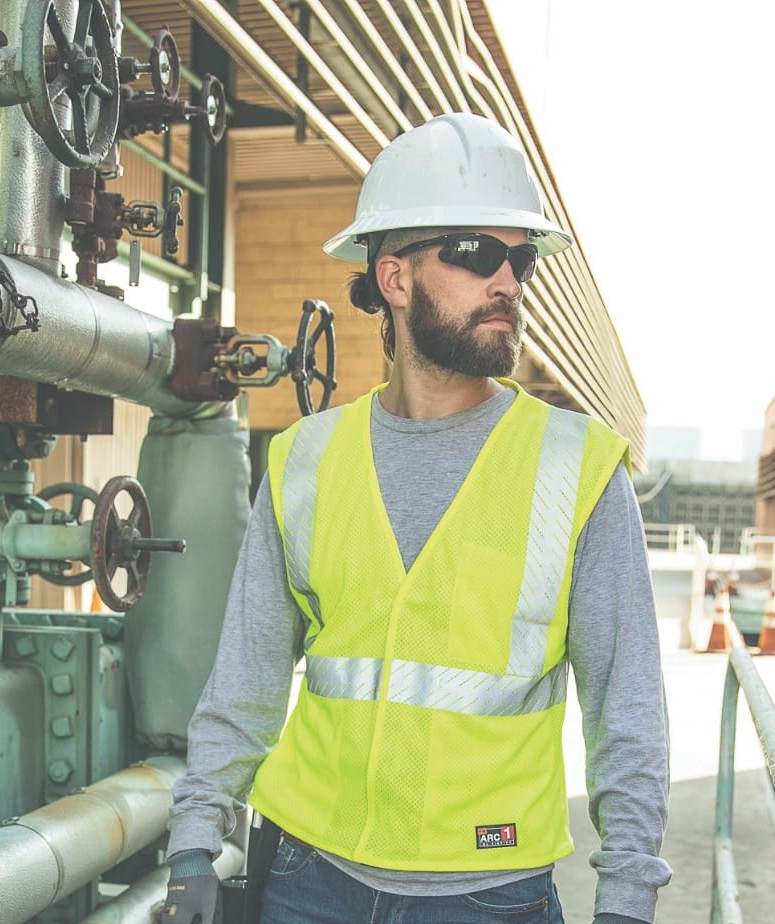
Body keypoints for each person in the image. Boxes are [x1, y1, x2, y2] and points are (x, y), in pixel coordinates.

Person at [158, 112, 670, 924]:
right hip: (305, 876)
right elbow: (245, 681)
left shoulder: (580, 467)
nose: (508, 281)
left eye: (522, 258)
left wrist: (630, 894)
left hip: (490, 893)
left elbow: (628, 708)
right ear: (394, 280)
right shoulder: (305, 460)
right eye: (476, 253)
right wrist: (194, 841)